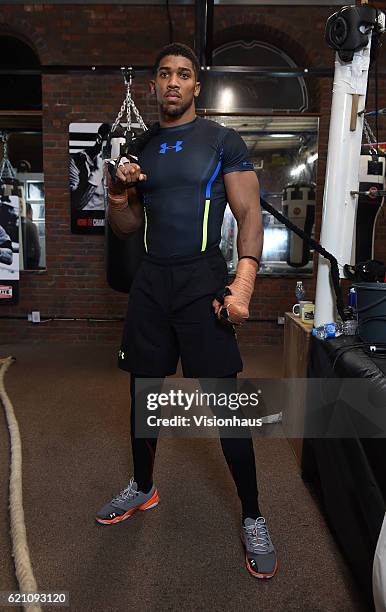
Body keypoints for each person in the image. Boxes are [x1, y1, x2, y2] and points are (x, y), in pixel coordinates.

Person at [97, 43, 277, 580]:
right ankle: (144, 487)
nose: (173, 82)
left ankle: (253, 515)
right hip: (151, 282)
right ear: (153, 86)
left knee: (226, 402)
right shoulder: (142, 146)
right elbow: (127, 229)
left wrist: (242, 283)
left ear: (196, 86)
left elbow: (247, 215)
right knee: (143, 397)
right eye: (164, 74)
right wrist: (117, 193)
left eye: (183, 74)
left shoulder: (222, 141)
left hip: (202, 281)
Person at [21, 203, 41, 269]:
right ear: (30, 212)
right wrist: (36, 265)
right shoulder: (31, 225)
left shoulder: (20, 224)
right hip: (31, 260)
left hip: (21, 259)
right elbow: (37, 247)